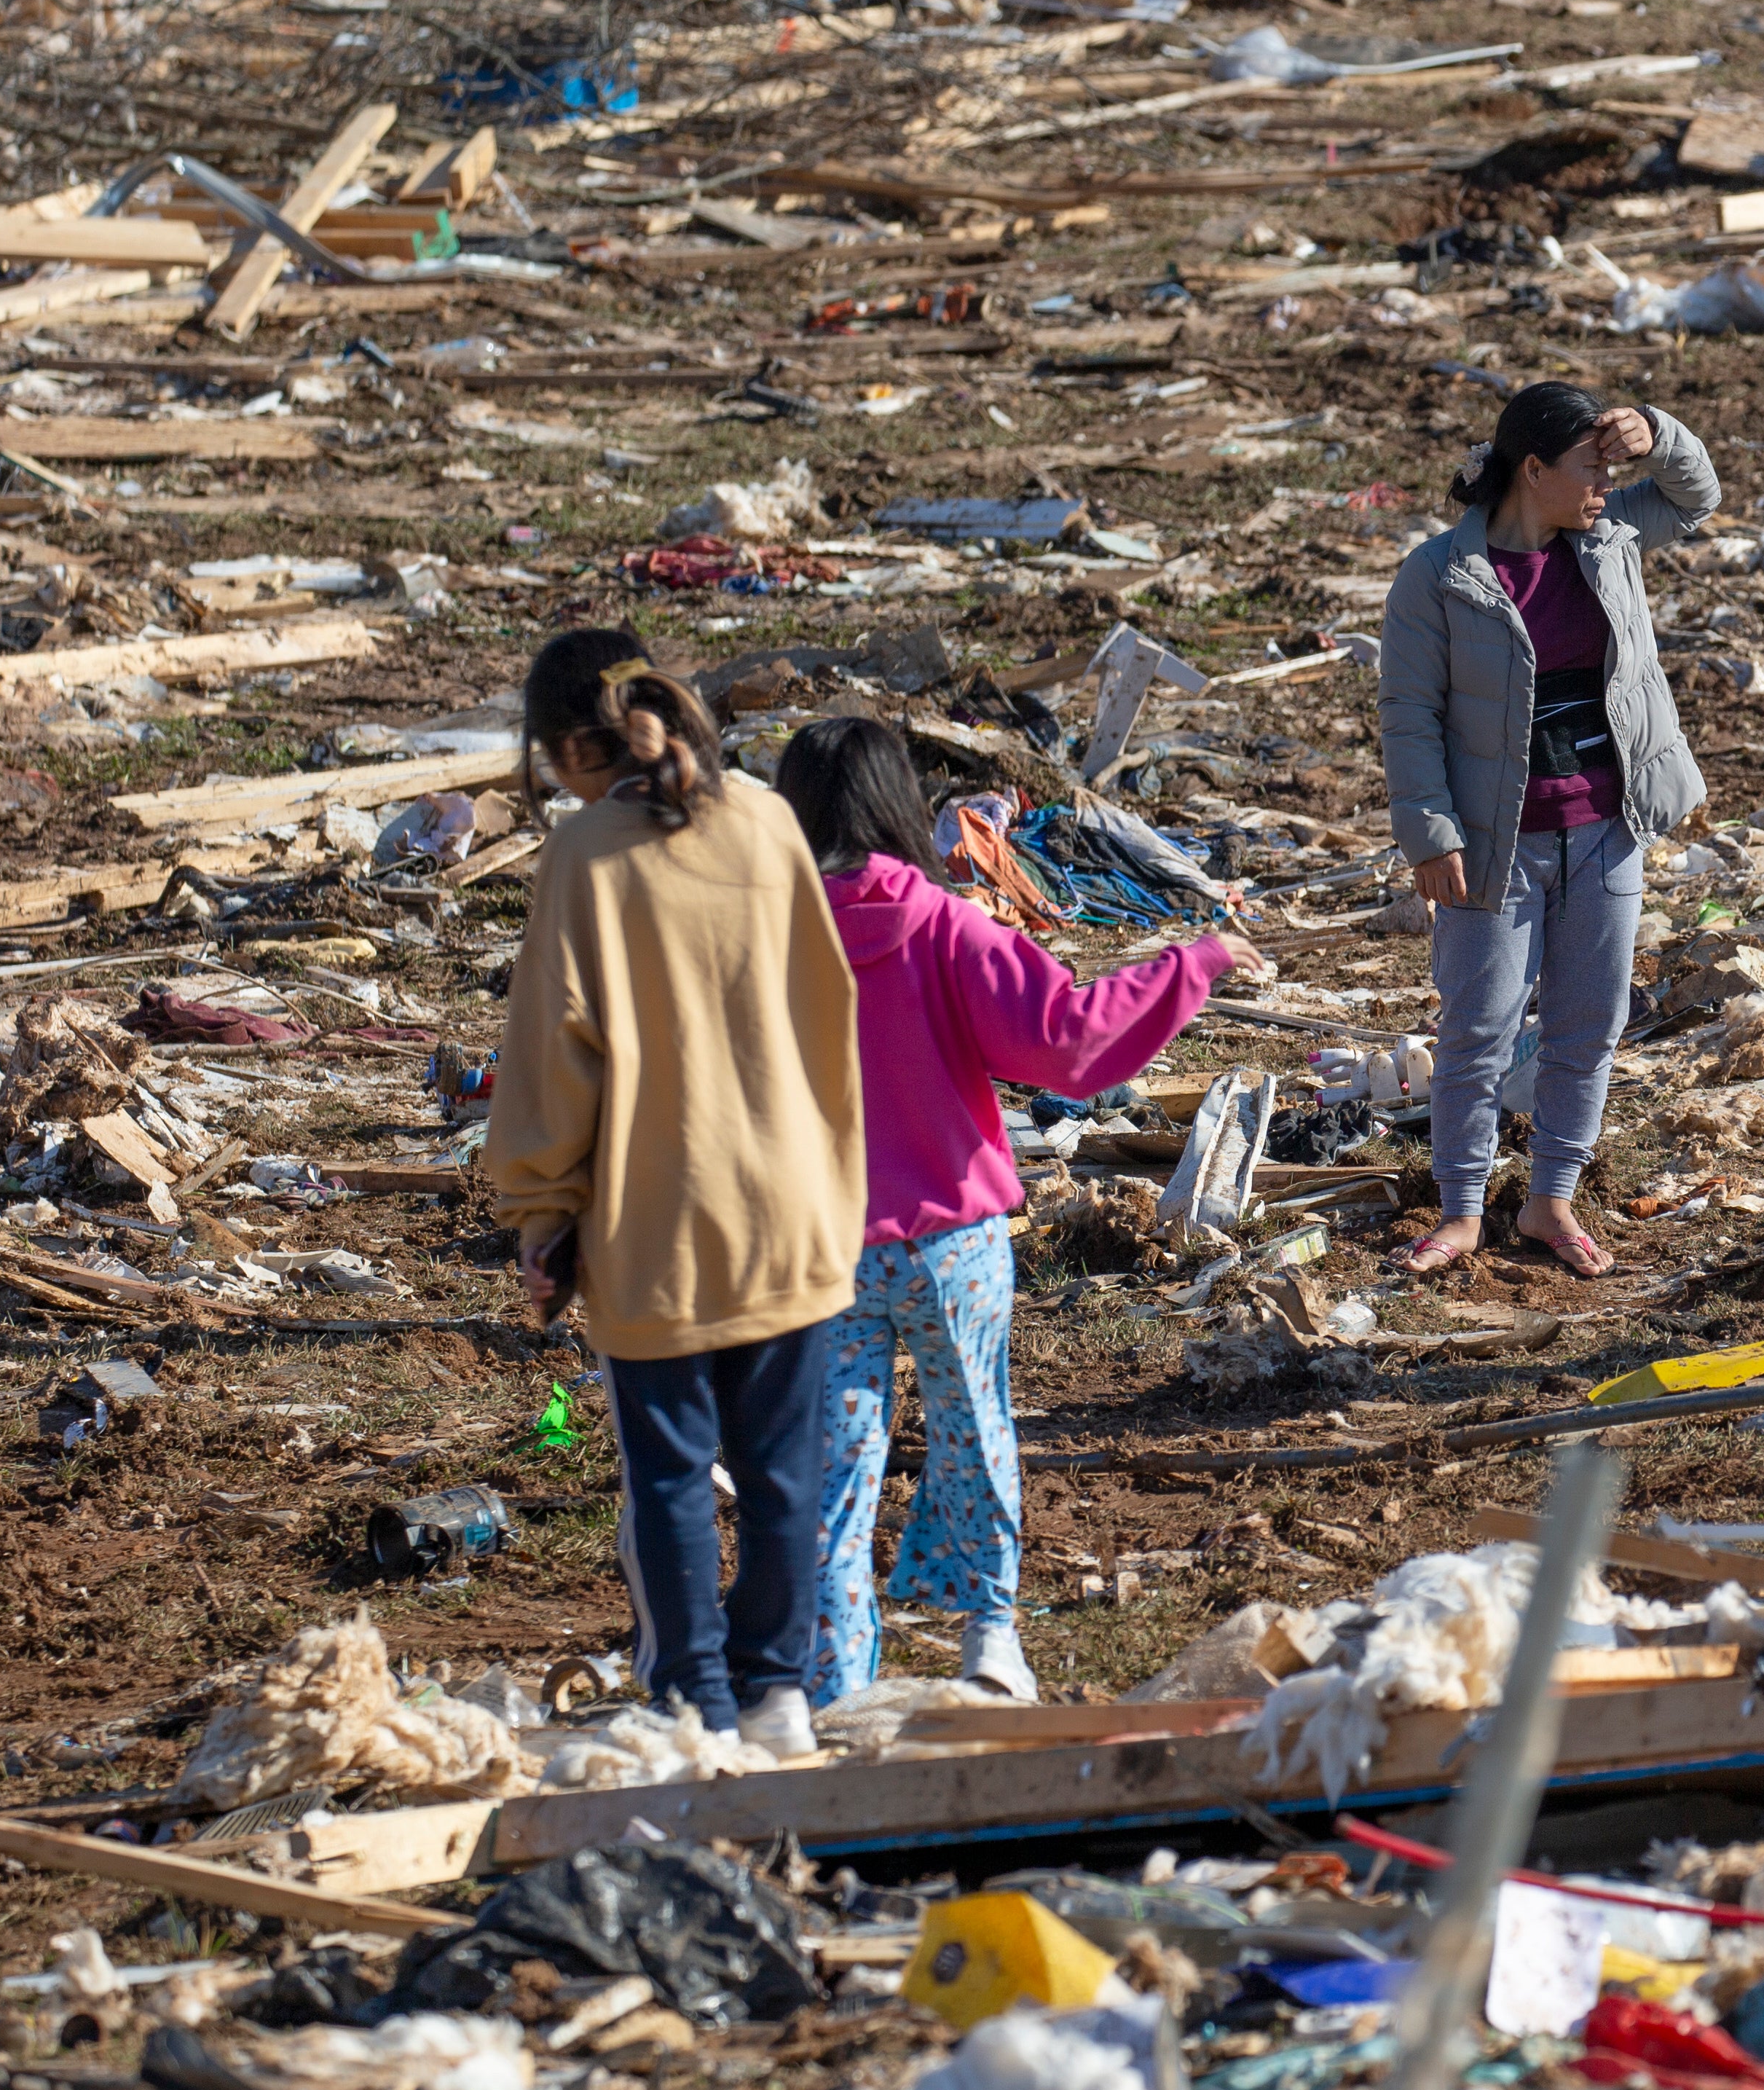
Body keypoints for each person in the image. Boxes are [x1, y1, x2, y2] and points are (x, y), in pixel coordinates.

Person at [773, 718, 1262, 1707]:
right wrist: (1192, 965)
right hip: (953, 1239)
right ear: (897, 809)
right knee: (974, 1431)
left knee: (833, 1464)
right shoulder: (950, 927)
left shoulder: (765, 946)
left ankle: (826, 1682)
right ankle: (990, 1637)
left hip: (825, 1248)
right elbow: (1067, 1044)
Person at [485, 630, 862, 1759]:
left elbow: (557, 1054)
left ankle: (694, 1697)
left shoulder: (584, 860)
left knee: (670, 1479)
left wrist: (542, 1209)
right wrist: (833, 1180)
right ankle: (780, 1695)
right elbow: (825, 1008)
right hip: (791, 1202)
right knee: (787, 1470)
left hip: (658, 1216)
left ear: (565, 749)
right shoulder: (765, 822)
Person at [1381, 380, 1716, 1277]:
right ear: (1533, 470)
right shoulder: (1440, 576)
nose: (1608, 482)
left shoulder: (1610, 542)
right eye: (1591, 466)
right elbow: (1409, 712)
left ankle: (1551, 1200)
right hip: (1497, 843)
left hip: (1608, 828)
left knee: (1587, 1024)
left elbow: (1699, 494)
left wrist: (1661, 432)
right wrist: (1430, 831)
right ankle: (1459, 1212)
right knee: (1478, 1028)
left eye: (1614, 465)